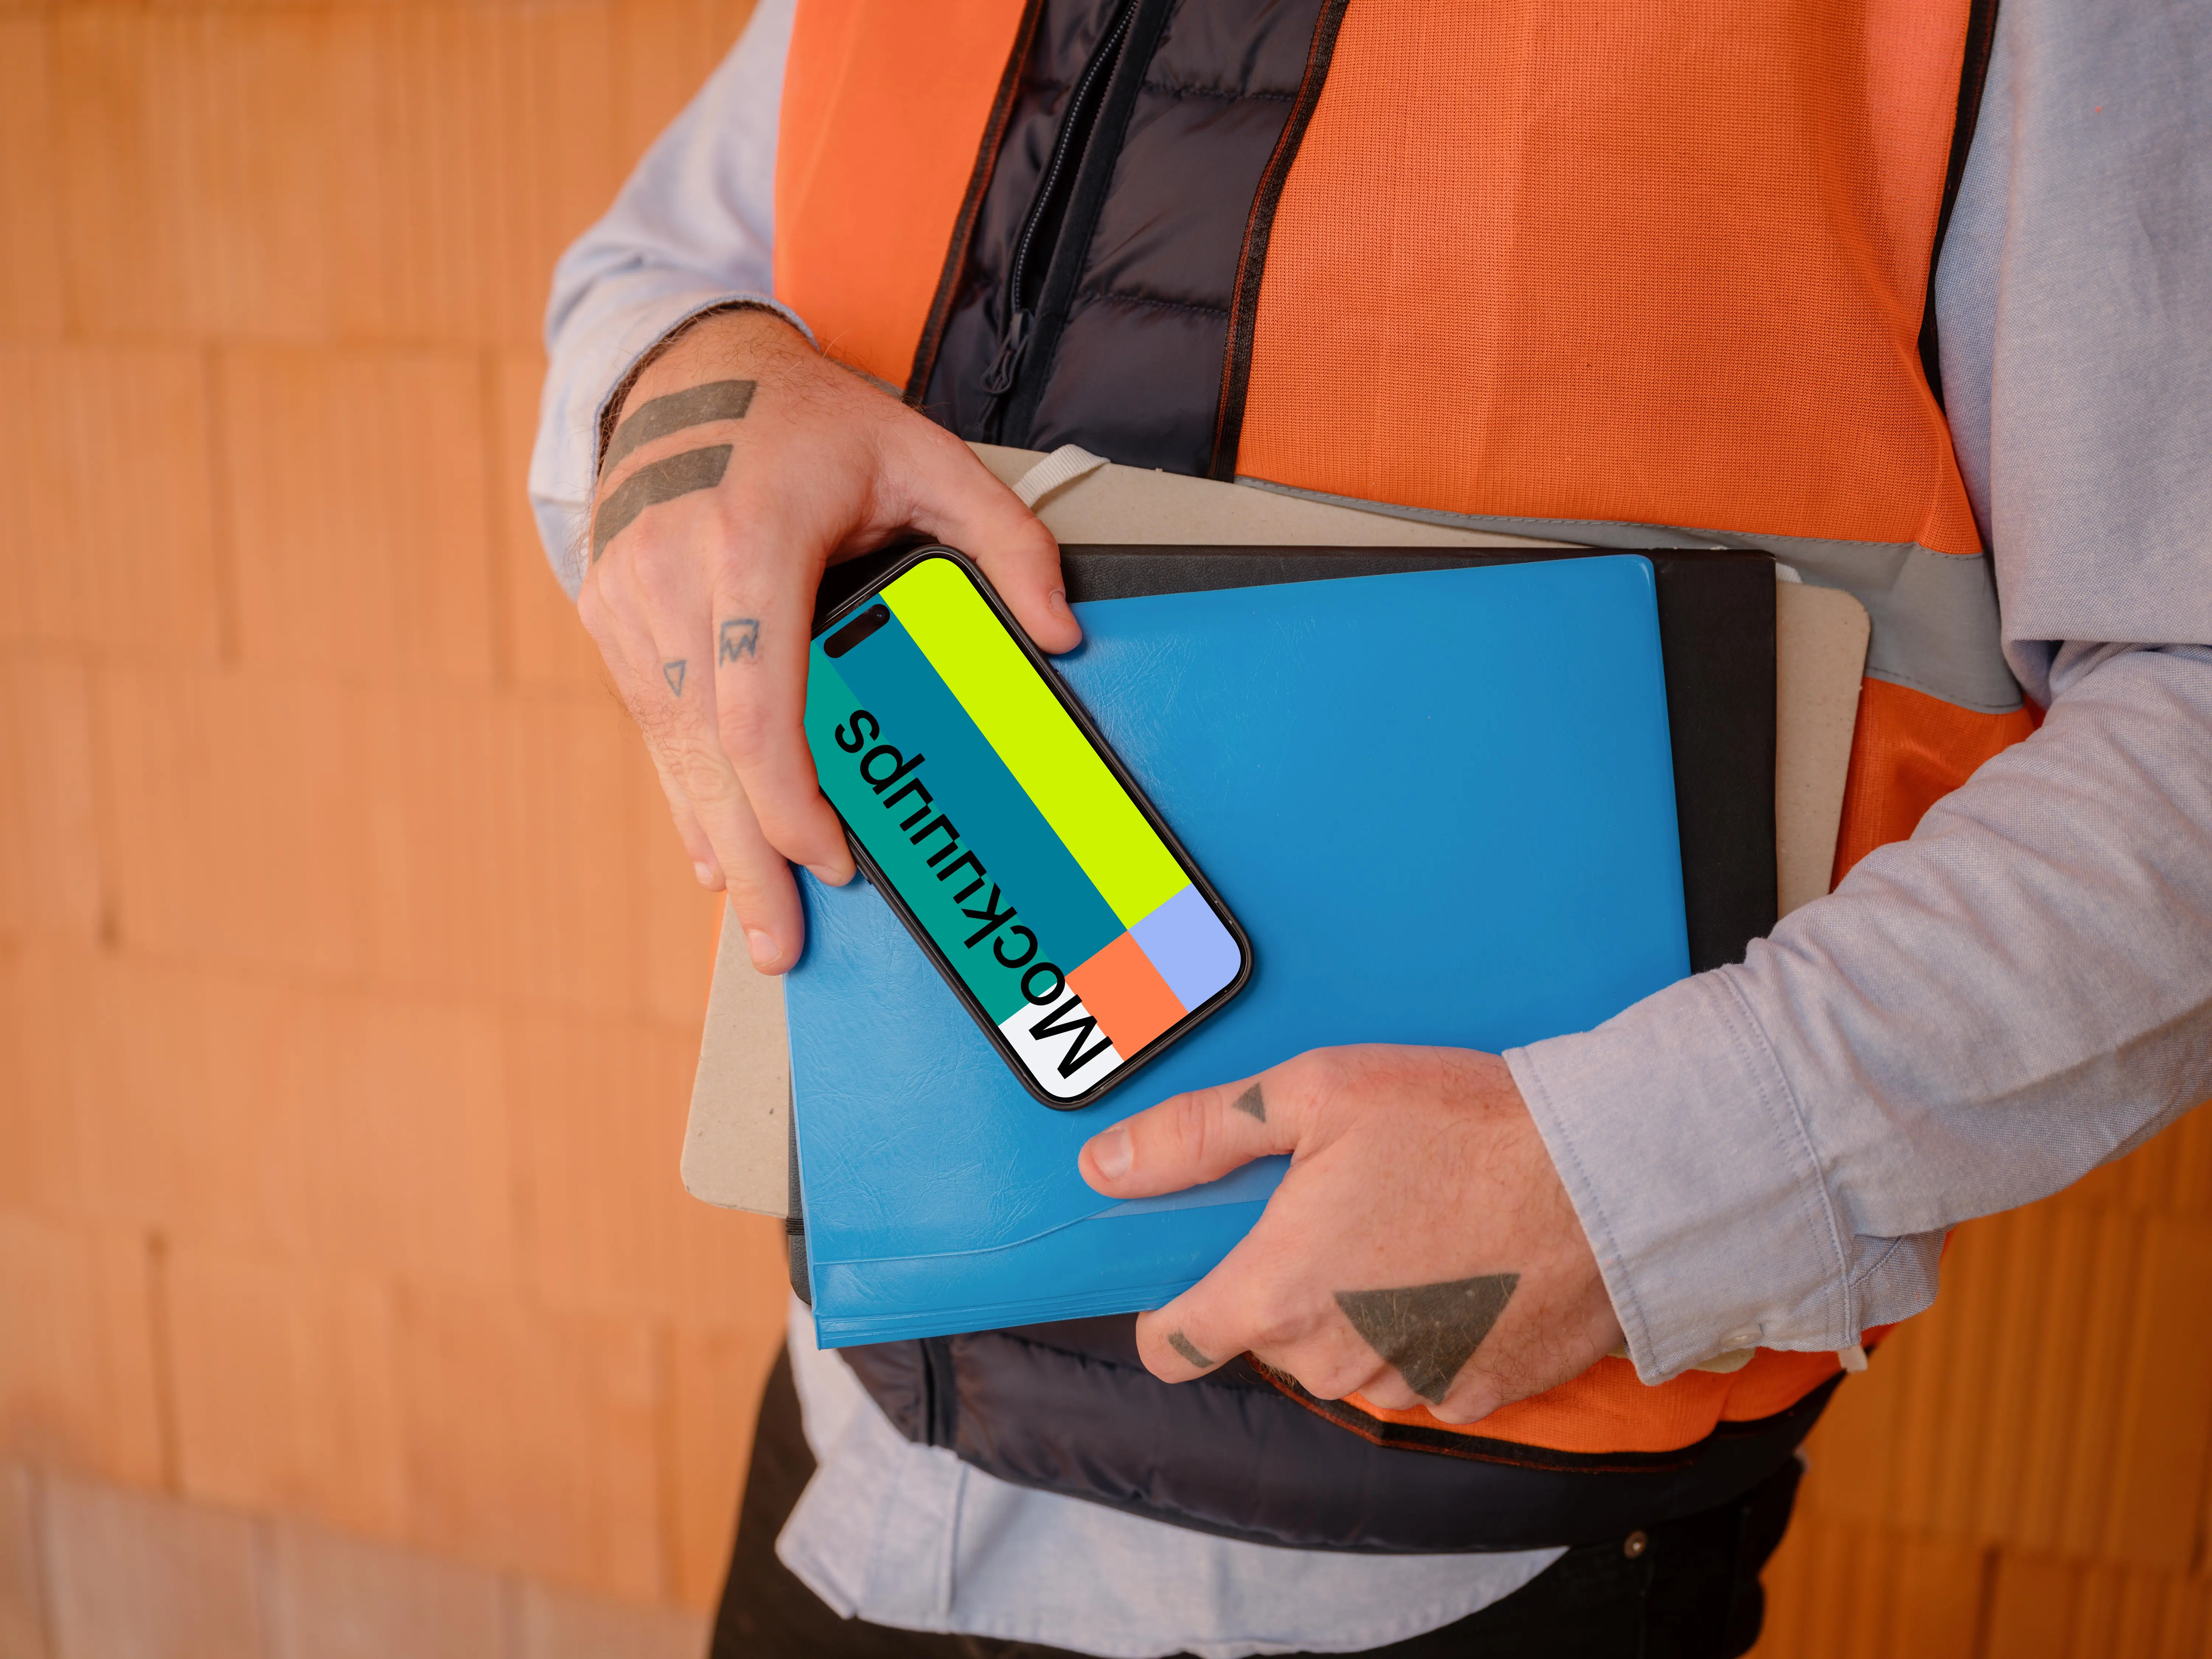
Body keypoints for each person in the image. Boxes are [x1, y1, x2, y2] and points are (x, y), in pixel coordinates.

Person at [531, 0, 2212, 1652]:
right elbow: (654, 280)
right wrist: (694, 383)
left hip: (1481, 1549)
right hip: (872, 1444)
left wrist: (1626, 1180)